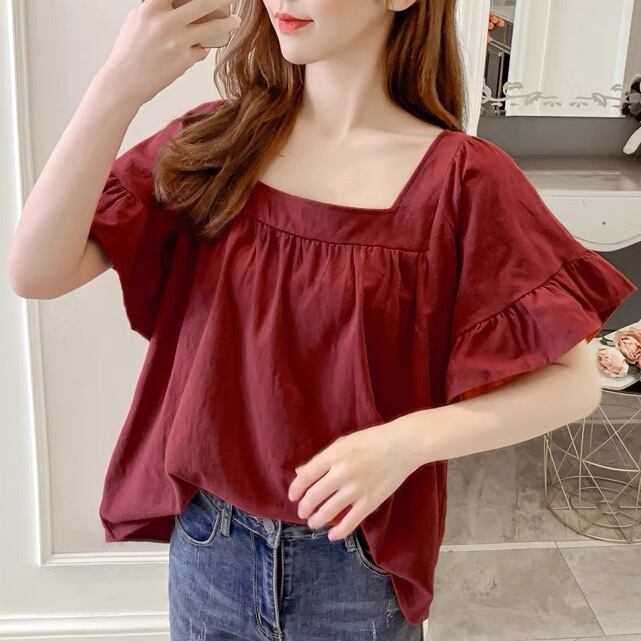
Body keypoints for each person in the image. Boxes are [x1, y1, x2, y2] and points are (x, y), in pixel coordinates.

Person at [7, 0, 637, 639]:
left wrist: (406, 441)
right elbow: (36, 272)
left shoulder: (464, 181)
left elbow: (574, 382)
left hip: (355, 563)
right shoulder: (216, 146)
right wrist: (118, 85)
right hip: (209, 548)